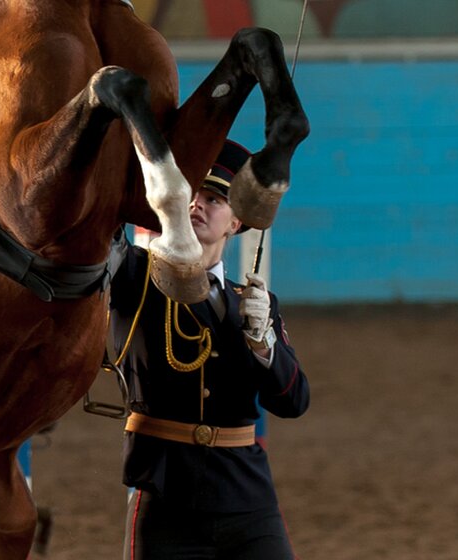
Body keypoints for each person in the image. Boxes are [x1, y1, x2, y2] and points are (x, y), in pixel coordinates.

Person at [109, 140, 310, 560]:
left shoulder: (255, 302)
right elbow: (99, 230)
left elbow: (293, 401)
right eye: (190, 196)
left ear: (236, 221)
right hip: (166, 497)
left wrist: (264, 345)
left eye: (213, 199)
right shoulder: (134, 276)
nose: (197, 206)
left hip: (249, 500)